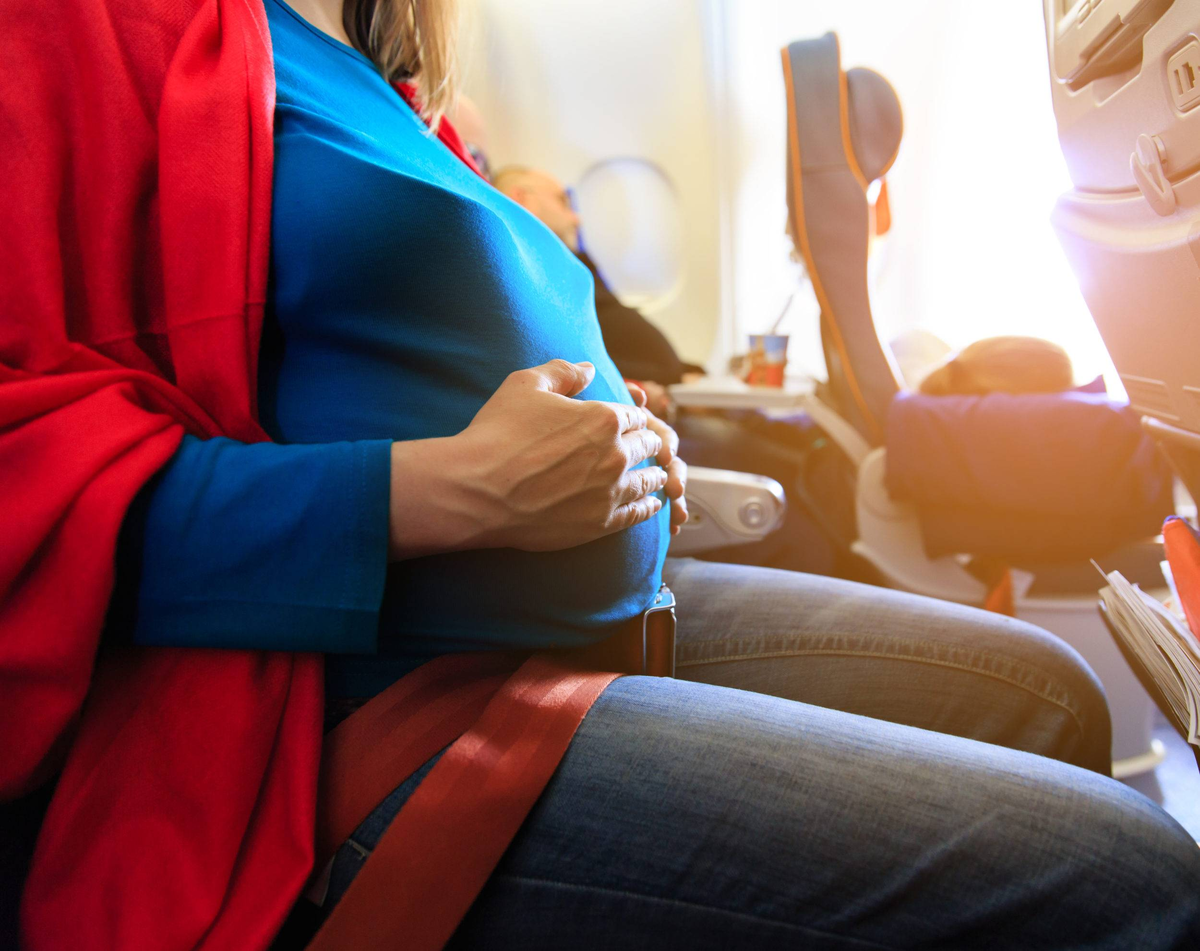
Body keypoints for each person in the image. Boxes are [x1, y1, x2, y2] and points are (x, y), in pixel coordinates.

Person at [5, 2, 1200, 950]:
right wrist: (450, 488)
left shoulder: (382, 69)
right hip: (355, 702)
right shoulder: (97, 32)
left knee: (1045, 694)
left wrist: (618, 428)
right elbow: (27, 477)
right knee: (1133, 884)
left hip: (588, 612)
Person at [493, 165, 703, 417]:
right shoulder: (522, 268)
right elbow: (569, 355)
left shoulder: (566, 263)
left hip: (666, 386)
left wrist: (683, 370)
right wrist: (655, 381)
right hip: (648, 397)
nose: (576, 218)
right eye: (563, 202)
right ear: (521, 198)